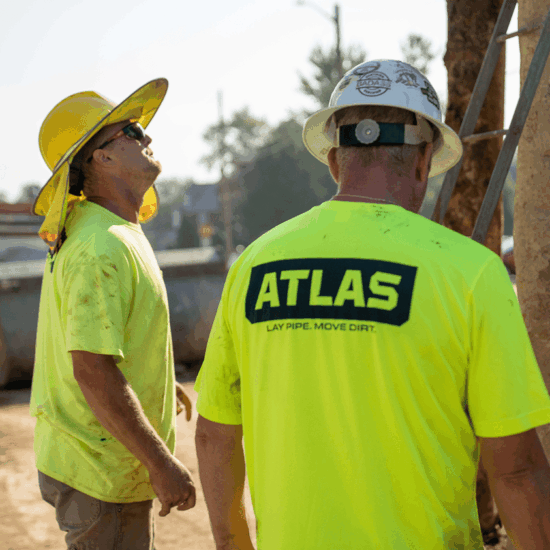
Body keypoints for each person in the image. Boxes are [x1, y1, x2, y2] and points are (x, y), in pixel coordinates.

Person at [194, 60, 550, 550]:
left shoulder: (254, 265)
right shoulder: (472, 273)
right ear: (424, 160)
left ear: (336, 161)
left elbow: (215, 434)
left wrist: (233, 543)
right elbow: (516, 467)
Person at [30, 79, 196, 550]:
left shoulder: (105, 232)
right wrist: (161, 462)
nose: (146, 138)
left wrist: (157, 379)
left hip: (100, 462)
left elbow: (106, 342)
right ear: (100, 157)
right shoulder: (101, 246)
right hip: (99, 472)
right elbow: (93, 369)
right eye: (132, 131)